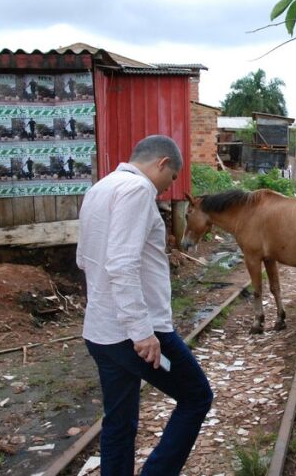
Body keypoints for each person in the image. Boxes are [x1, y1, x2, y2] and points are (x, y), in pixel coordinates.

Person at [76, 135, 212, 476]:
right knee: (196, 397)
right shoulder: (138, 191)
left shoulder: (101, 188)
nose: (169, 187)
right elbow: (122, 264)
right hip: (136, 334)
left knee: (118, 423)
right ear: (162, 163)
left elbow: (84, 259)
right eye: (172, 178)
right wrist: (141, 331)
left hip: (100, 331)